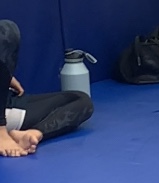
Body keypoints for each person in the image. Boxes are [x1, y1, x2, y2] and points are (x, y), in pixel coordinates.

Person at [1, 20, 94, 158]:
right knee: (6, 30)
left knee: (81, 100)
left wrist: (5, 75)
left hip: (9, 105)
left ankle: (33, 133)